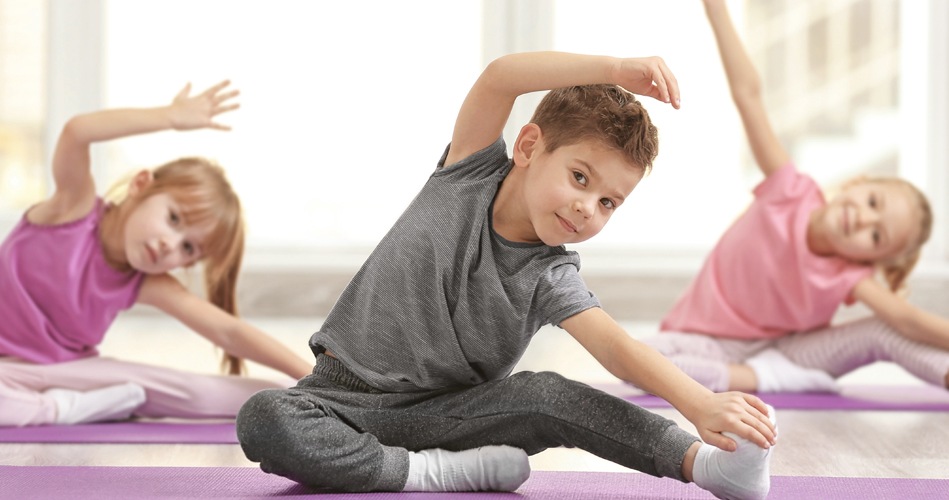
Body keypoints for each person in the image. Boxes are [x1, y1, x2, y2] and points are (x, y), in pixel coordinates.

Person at [236, 52, 777, 500]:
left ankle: (706, 468)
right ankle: (437, 475)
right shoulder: (466, 173)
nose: (588, 207)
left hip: (442, 418)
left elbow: (616, 348)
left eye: (608, 201)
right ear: (527, 147)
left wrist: (701, 404)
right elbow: (500, 78)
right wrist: (613, 71)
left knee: (547, 395)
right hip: (335, 400)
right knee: (264, 417)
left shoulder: (551, 274)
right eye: (580, 177)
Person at [640, 0, 948, 395]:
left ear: (870, 259)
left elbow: (907, 321)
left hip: (789, 354)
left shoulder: (848, 275)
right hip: (708, 342)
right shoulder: (790, 190)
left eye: (876, 237)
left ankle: (768, 375)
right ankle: (760, 380)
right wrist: (716, 8)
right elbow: (748, 96)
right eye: (874, 203)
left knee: (883, 332)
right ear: (857, 184)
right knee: (640, 360)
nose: (865, 221)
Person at [0, 81, 313, 428]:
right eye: (173, 218)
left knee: (199, 392)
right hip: (6, 372)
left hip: (71, 373)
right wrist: (170, 116)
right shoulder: (72, 208)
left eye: (188, 248)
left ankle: (311, 398)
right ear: (140, 185)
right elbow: (77, 132)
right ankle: (58, 410)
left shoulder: (146, 282)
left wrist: (312, 376)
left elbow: (228, 332)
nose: (170, 244)